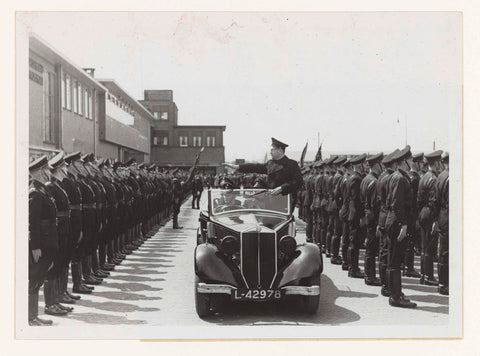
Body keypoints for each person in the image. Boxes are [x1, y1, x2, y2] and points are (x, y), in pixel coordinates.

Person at [222, 137, 302, 213]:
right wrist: (238, 167)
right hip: (270, 202)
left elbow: (298, 182)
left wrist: (282, 188)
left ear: (280, 150)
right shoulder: (270, 163)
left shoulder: (292, 164)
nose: (270, 152)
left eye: (272, 150)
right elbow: (256, 167)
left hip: (284, 201)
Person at [29, 156, 59, 325]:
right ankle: (31, 317)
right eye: (47, 169)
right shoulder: (35, 192)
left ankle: (33, 316)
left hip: (48, 241)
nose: (49, 172)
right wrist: (35, 247)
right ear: (41, 171)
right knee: (35, 278)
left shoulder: (42, 190)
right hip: (42, 244)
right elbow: (33, 223)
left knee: (39, 278)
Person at [385, 146, 417, 308]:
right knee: (395, 260)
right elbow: (397, 204)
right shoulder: (399, 178)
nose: (412, 162)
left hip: (394, 220)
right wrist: (404, 224)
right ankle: (396, 297)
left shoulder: (396, 177)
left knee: (394, 259)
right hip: (398, 222)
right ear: (404, 161)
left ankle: (395, 292)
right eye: (410, 160)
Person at [417, 150, 443, 286]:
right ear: (437, 162)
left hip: (422, 212)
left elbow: (419, 199)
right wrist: (435, 220)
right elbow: (434, 201)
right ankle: (428, 276)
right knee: (429, 247)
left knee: (423, 246)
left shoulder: (424, 177)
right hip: (430, 214)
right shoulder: (433, 179)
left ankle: (423, 274)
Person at [360, 152, 383, 286]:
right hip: (373, 217)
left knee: (369, 246)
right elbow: (375, 205)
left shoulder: (366, 179)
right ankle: (370, 277)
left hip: (367, 214)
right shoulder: (374, 182)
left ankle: (369, 275)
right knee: (372, 247)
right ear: (377, 165)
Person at [346, 153, 367, 279]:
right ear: (359, 165)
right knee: (354, 243)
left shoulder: (354, 177)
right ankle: (353, 269)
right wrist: (361, 216)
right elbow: (356, 200)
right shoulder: (356, 179)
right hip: (355, 215)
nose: (365, 166)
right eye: (363, 164)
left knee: (354, 242)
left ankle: (353, 268)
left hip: (354, 214)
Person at [436, 152, 449, 295]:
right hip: (449, 216)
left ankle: (442, 282)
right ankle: (444, 284)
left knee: (443, 251)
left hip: (442, 216)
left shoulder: (440, 176)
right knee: (446, 251)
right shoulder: (450, 177)